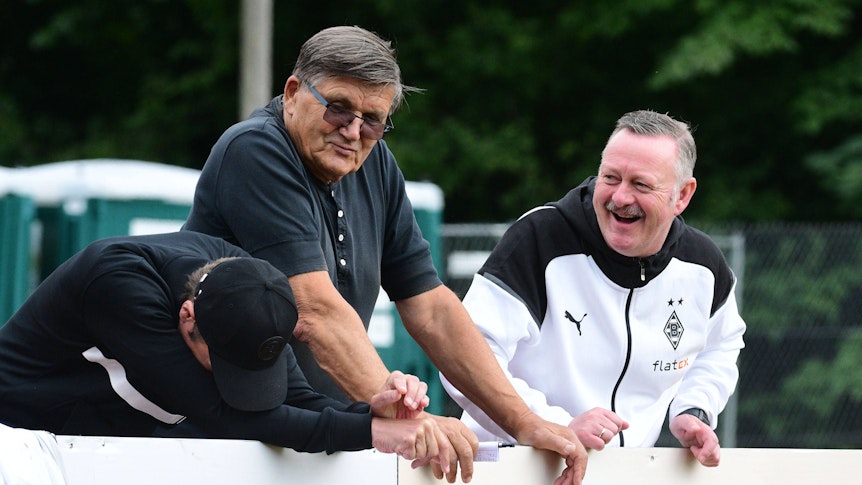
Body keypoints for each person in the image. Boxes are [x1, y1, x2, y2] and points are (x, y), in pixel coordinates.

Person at [183, 25, 587, 484]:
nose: (353, 131)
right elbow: (313, 309)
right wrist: (406, 418)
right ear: (293, 92)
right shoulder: (254, 149)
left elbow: (432, 308)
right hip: (225, 436)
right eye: (339, 109)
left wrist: (521, 420)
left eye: (373, 119)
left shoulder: (375, 162)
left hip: (318, 437)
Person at [442, 110, 746, 471]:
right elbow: (464, 351)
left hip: (619, 474)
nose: (620, 197)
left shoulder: (703, 267)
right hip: (510, 466)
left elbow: (722, 344)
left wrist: (694, 408)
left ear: (682, 195)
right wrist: (549, 423)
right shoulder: (541, 238)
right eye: (611, 177)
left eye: (641, 184)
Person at [0, 231, 454, 470]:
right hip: (18, 439)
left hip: (94, 444)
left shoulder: (253, 289)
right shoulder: (118, 285)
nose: (234, 381)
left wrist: (372, 413)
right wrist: (372, 435)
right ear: (187, 317)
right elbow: (223, 415)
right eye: (223, 366)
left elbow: (298, 403)